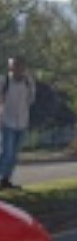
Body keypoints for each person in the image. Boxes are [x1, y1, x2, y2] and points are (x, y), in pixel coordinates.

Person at [0, 57, 37, 190]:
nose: (16, 69)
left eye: (19, 66)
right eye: (13, 66)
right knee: (6, 152)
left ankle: (6, 180)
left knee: (14, 155)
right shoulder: (4, 81)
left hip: (22, 122)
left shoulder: (28, 82)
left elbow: (31, 100)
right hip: (6, 121)